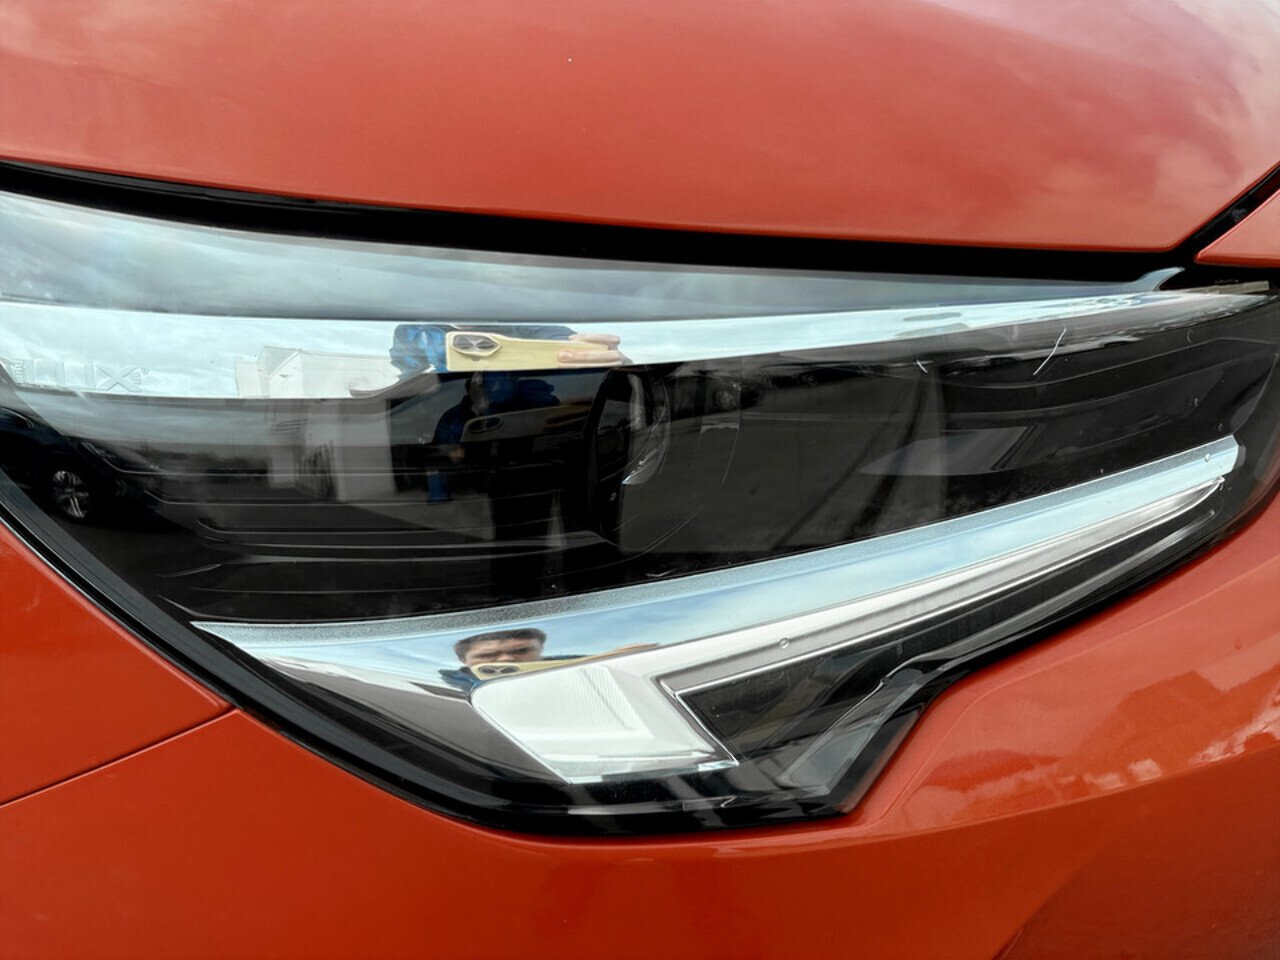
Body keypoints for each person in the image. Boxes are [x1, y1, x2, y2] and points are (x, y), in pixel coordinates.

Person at [438, 627, 546, 692]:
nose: (506, 659)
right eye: (488, 655)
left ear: (541, 649)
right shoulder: (444, 689)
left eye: (521, 651)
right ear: (463, 659)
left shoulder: (557, 672)